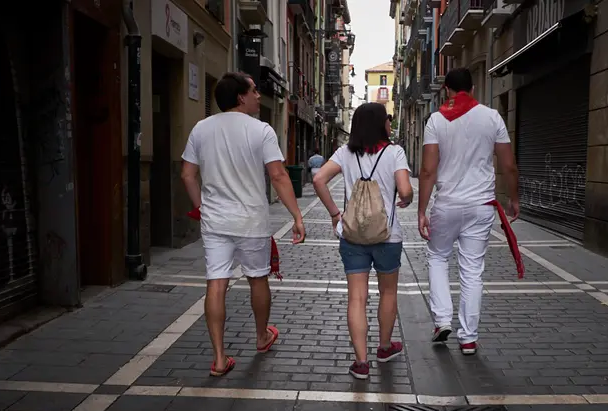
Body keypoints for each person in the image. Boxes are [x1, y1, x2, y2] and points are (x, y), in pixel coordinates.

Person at [181, 72, 306, 377]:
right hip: (251, 219)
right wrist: (297, 216)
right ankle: (262, 337)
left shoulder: (201, 129)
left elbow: (187, 175)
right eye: (254, 91)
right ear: (240, 97)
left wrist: (201, 208)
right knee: (257, 278)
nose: (259, 96)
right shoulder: (261, 131)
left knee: (216, 283)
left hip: (215, 220)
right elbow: (278, 176)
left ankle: (220, 358)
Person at [417, 68, 519, 355]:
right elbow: (509, 165)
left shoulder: (436, 120)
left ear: (446, 90)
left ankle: (441, 320)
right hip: (481, 207)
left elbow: (427, 170)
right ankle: (469, 338)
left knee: (437, 257)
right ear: (472, 89)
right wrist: (514, 198)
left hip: (447, 205)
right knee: (472, 270)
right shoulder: (492, 117)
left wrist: (422, 210)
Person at [313, 103, 413, 379]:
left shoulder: (344, 153)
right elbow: (404, 190)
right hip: (388, 236)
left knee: (356, 297)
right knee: (388, 293)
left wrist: (336, 214)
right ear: (381, 124)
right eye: (388, 121)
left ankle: (361, 362)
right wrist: (406, 198)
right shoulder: (395, 153)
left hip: (352, 235)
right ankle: (383, 347)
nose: (390, 125)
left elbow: (319, 179)